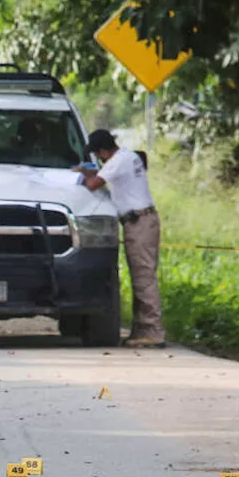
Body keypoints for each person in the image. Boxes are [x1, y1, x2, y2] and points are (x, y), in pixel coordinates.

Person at [76, 129, 163, 348]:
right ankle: (142, 329)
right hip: (142, 221)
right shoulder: (127, 156)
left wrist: (80, 176)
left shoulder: (118, 161)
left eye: (99, 154)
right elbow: (106, 172)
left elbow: (94, 184)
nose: (100, 158)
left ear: (104, 150)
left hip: (139, 223)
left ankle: (153, 331)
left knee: (143, 277)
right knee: (142, 276)